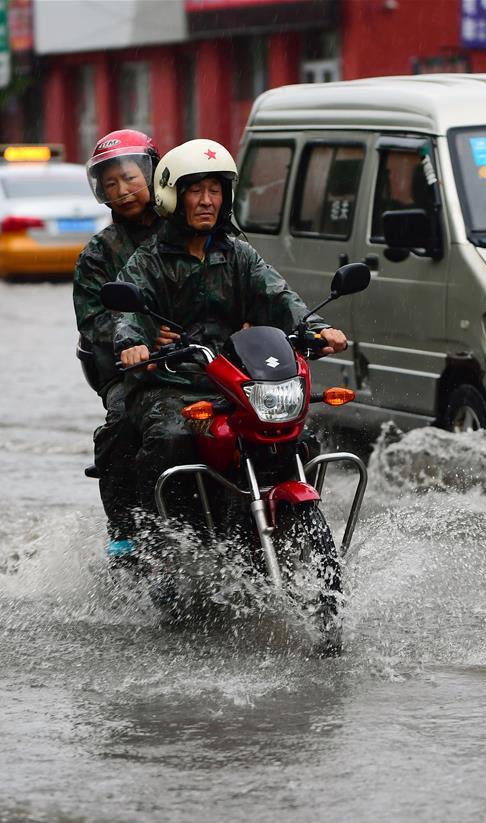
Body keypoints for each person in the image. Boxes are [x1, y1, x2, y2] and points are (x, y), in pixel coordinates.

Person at [112, 139, 348, 518]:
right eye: (196, 190)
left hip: (238, 382)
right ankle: (163, 538)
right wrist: (133, 343)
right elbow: (129, 313)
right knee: (170, 440)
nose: (207, 200)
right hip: (174, 385)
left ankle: (286, 522)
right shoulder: (148, 262)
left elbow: (278, 296)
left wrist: (316, 329)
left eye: (215, 190)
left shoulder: (239, 253)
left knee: (300, 438)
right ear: (172, 196)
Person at [73, 129, 174, 562]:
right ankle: (126, 530)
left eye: (130, 178)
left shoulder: (190, 228)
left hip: (204, 361)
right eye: (110, 184)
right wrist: (144, 339)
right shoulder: (99, 253)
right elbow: (96, 321)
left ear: (153, 174)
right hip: (130, 369)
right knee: (121, 425)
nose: (122, 190)